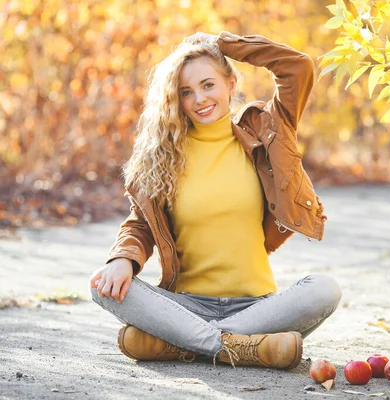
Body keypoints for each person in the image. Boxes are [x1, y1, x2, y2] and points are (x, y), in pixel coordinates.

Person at [89, 31, 341, 369]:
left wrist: (223, 44)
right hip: (185, 306)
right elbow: (140, 225)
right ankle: (238, 347)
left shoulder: (266, 134)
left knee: (324, 289)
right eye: (186, 92)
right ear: (175, 100)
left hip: (257, 309)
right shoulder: (163, 156)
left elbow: (298, 67)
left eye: (209, 85)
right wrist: (123, 259)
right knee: (101, 286)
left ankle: (186, 344)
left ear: (231, 83)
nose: (199, 99)